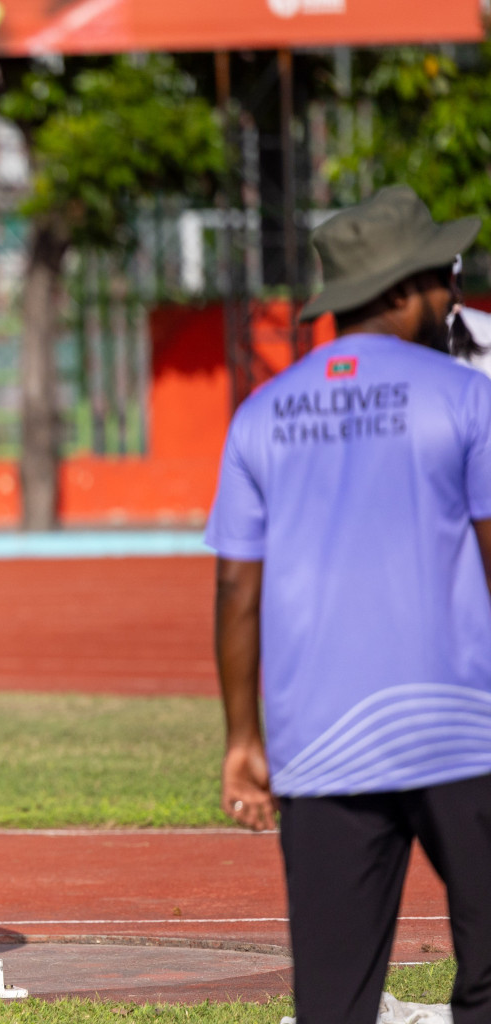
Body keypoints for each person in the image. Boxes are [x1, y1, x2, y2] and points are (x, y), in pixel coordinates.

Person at [206, 184, 491, 1024]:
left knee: (333, 999)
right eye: (445, 278)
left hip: (321, 742)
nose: (456, 296)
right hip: (464, 731)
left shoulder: (261, 415)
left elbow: (235, 588)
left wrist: (242, 738)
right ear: (403, 293)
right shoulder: (465, 396)